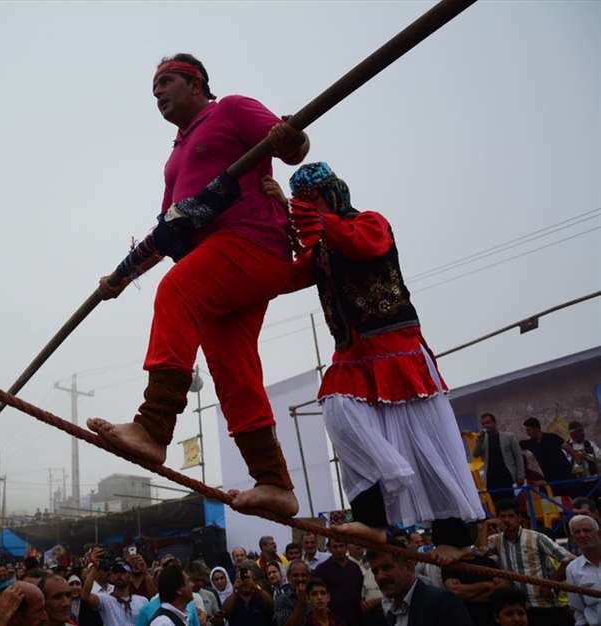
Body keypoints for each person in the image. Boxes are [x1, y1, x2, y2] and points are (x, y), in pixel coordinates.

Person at [88, 52, 310, 521]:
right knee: (232, 367)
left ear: (197, 83)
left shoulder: (230, 108)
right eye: (154, 90)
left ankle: (153, 427)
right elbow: (170, 230)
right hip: (220, 264)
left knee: (177, 292)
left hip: (253, 243)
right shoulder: (174, 158)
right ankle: (274, 481)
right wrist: (121, 278)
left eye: (166, 82)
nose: (158, 94)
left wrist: (292, 137)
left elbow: (291, 148)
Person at [263, 165, 485, 563]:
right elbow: (283, 277)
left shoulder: (369, 223)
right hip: (352, 354)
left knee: (428, 442)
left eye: (309, 200)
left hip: (397, 348)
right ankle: (372, 517)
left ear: (331, 196)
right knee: (340, 415)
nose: (305, 208)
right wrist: (263, 227)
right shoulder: (320, 249)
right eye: (301, 203)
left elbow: (362, 245)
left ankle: (453, 534)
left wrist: (294, 209)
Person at [475, 500, 575, 626]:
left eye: (511, 516)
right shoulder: (495, 540)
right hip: (517, 609)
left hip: (543, 605)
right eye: (502, 516)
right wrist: (486, 525)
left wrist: (550, 584)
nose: (506, 520)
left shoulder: (536, 537)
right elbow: (478, 553)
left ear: (519, 518)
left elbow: (569, 559)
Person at [360, 538, 474, 626]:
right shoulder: (391, 611)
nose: (380, 577)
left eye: (387, 568)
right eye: (375, 571)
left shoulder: (443, 603)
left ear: (409, 567)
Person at [82, 554, 149, 626]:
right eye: (115, 572)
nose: (119, 575)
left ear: (131, 577)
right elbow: (85, 596)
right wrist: (95, 568)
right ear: (111, 576)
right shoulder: (106, 600)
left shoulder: (142, 601)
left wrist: (145, 573)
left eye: (123, 572)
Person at [313, 539, 362, 626]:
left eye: (341, 546)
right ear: (329, 548)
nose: (338, 550)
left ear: (346, 547)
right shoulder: (321, 570)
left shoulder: (355, 568)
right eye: (335, 547)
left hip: (355, 618)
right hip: (332, 620)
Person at [473, 413, 525, 493]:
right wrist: (480, 439)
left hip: (508, 477)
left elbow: (518, 457)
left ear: (494, 423)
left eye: (488, 422)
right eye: (483, 424)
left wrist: (520, 476)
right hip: (491, 480)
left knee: (512, 503)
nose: (486, 426)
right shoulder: (482, 440)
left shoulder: (509, 437)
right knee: (496, 504)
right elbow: (476, 454)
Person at [520, 418, 575, 492]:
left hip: (566, 475)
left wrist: (576, 460)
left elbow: (569, 448)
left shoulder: (552, 437)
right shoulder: (530, 443)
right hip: (551, 479)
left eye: (529, 430)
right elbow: (515, 446)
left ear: (536, 429)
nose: (527, 433)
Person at [565, 515, 601, 626]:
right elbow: (578, 610)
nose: (582, 535)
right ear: (573, 538)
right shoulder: (572, 569)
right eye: (577, 532)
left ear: (598, 533)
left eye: (587, 530)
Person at [275, 560, 312, 626]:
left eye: (303, 575)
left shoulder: (316, 594)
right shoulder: (282, 599)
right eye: (295, 575)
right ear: (288, 577)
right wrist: (300, 602)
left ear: (309, 577)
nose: (300, 579)